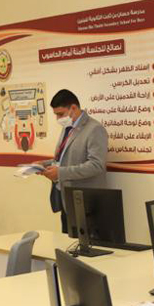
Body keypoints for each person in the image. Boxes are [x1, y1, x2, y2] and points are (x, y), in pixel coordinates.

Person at [37, 89, 108, 234]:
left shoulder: (95, 129)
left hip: (86, 204)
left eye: (60, 114)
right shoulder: (67, 128)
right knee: (67, 248)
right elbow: (63, 159)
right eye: (56, 114)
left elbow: (96, 165)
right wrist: (43, 164)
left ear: (73, 108)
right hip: (66, 200)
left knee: (85, 253)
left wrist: (60, 173)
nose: (58, 118)